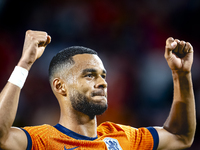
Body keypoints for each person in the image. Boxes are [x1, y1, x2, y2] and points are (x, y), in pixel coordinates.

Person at [0, 30, 196, 150]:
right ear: (60, 86)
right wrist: (25, 64)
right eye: (89, 75)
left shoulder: (124, 138)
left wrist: (181, 74)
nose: (103, 83)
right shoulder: (42, 141)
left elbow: (180, 136)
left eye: (103, 75)